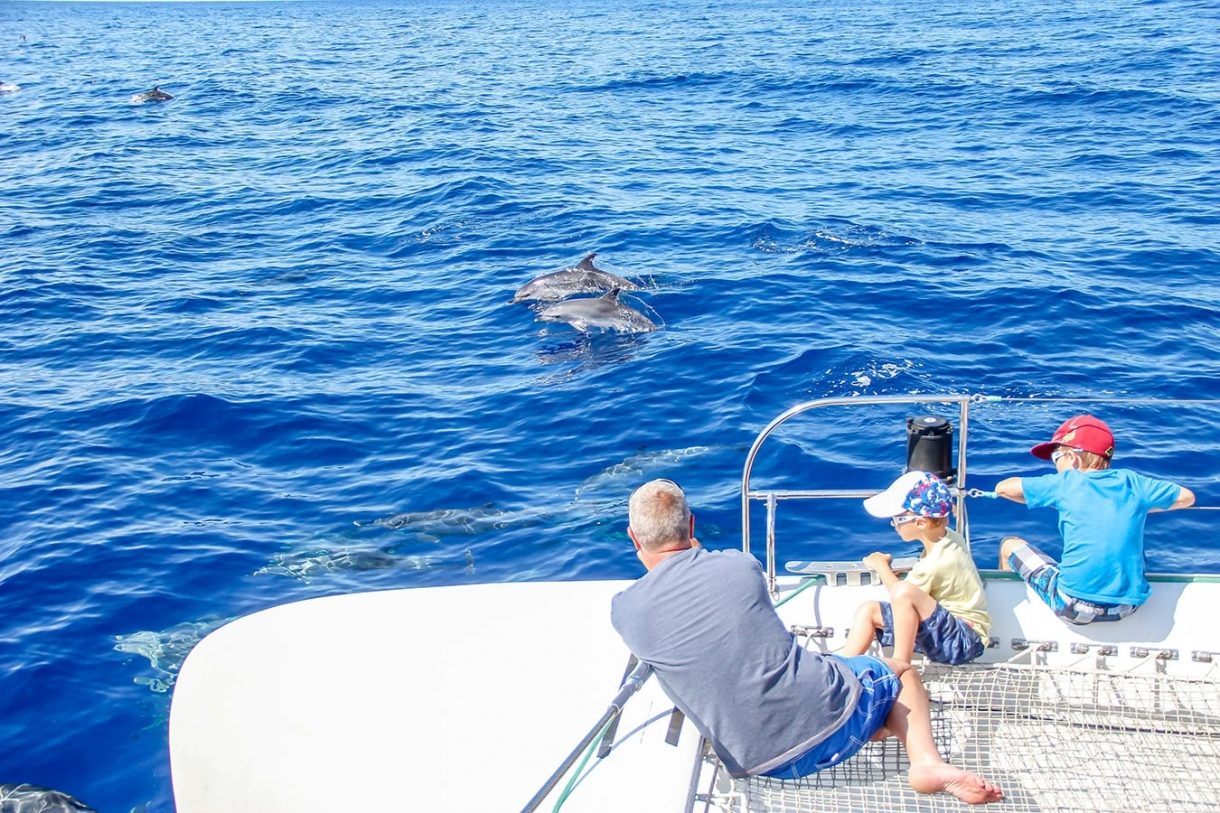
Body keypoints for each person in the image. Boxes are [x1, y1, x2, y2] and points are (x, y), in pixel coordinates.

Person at [611, 479, 1002, 804]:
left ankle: (877, 721)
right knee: (901, 675)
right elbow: (713, 568)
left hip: (756, 762)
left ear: (633, 537)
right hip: (833, 721)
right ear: (692, 525)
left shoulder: (624, 612)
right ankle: (925, 763)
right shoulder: (740, 566)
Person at [996, 414, 1195, 624]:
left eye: (1056, 458)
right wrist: (1136, 505)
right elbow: (1186, 497)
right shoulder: (1132, 482)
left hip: (1072, 605)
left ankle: (1009, 621)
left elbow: (1004, 489)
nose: (1054, 465)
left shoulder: (1066, 482)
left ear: (1073, 458)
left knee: (1009, 545)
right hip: (1128, 606)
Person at [840, 471, 990, 665]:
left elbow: (900, 595)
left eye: (895, 519)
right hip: (958, 633)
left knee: (903, 591)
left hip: (962, 641)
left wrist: (880, 565)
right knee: (869, 611)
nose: (893, 525)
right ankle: (843, 665)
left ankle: (901, 664)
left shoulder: (934, 563)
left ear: (920, 523)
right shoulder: (950, 538)